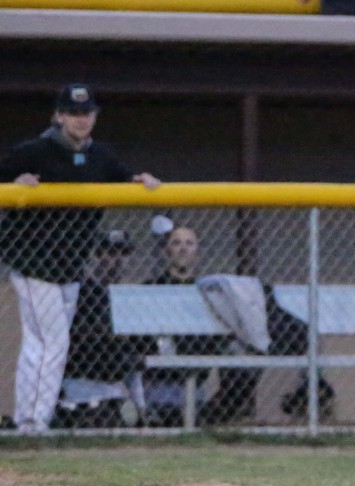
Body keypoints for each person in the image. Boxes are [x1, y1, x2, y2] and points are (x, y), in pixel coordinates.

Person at [0, 83, 160, 432]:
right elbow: (5, 172)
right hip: (31, 263)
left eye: (86, 113)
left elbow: (124, 177)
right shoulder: (36, 150)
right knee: (51, 341)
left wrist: (140, 179)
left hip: (70, 265)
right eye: (73, 113)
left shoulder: (100, 155)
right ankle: (33, 423)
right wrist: (17, 182)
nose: (80, 119)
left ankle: (30, 419)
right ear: (59, 116)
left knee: (42, 342)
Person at [53, 229, 144, 428]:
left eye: (123, 253)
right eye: (110, 253)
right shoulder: (83, 292)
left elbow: (137, 348)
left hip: (117, 386)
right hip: (81, 383)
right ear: (97, 255)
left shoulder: (131, 295)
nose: (117, 259)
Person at [139, 223, 228, 426]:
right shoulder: (151, 288)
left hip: (195, 383)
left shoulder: (206, 292)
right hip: (158, 382)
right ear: (166, 251)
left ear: (197, 253)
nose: (183, 248)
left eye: (189, 243)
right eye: (176, 243)